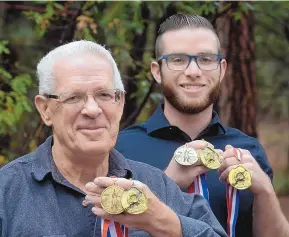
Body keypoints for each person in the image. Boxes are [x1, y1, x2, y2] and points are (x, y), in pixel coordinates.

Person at [0, 40, 227, 237]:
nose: (92, 109)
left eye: (104, 95)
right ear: (45, 109)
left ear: (120, 103)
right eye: (73, 97)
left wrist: (165, 224)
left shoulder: (157, 187)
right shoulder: (7, 191)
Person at [116, 14, 289, 237]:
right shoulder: (122, 149)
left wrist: (265, 190)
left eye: (206, 59)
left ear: (222, 69)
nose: (194, 71)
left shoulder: (248, 149)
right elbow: (106, 230)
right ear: (157, 71)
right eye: (178, 60)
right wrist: (167, 183)